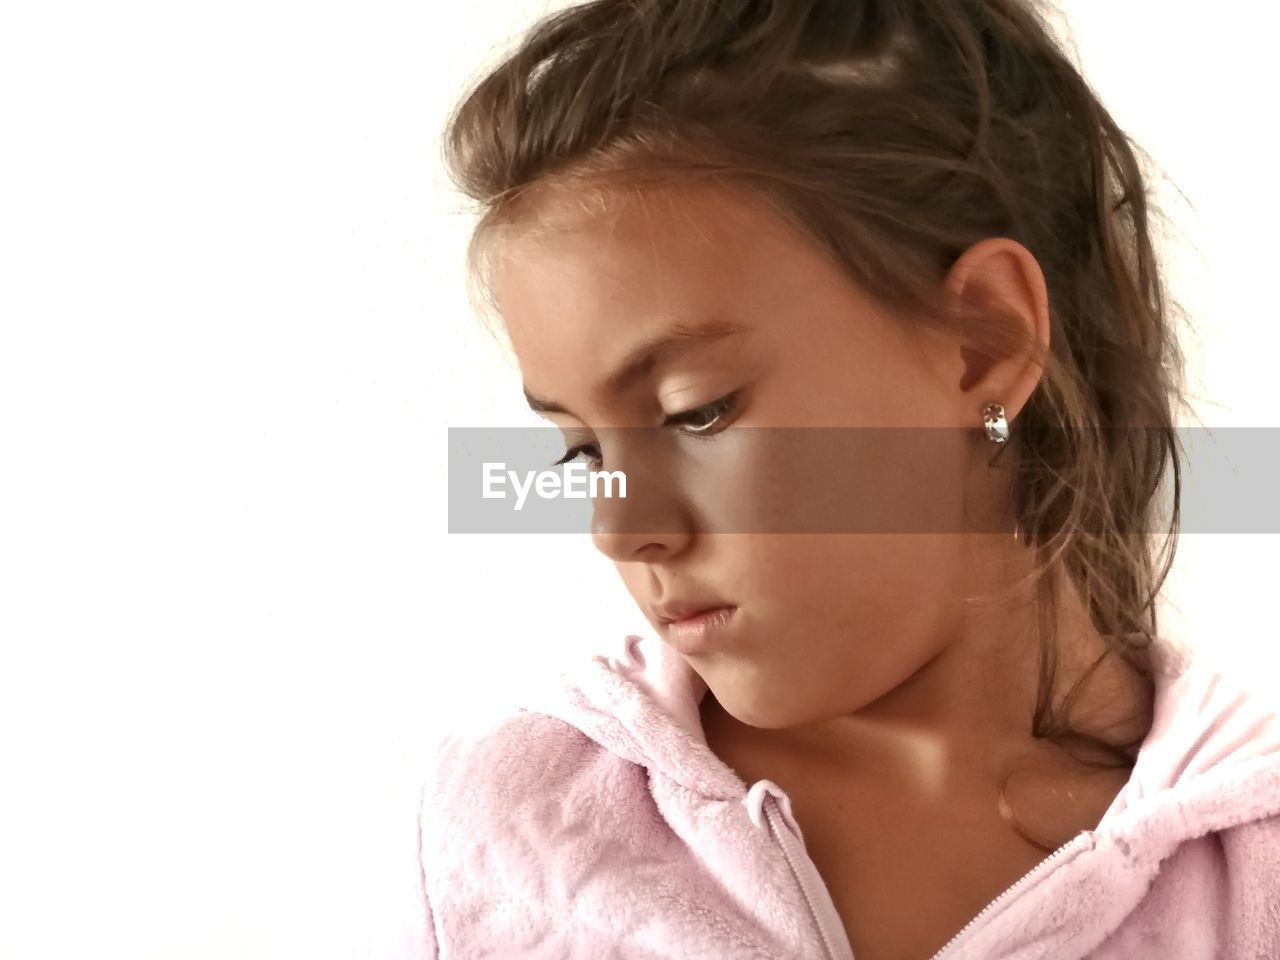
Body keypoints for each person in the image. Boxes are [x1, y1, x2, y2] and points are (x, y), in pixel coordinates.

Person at [421, 1, 1280, 957]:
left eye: (697, 412)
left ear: (983, 343)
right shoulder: (522, 821)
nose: (621, 531)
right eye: (584, 450)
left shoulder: (1252, 870)